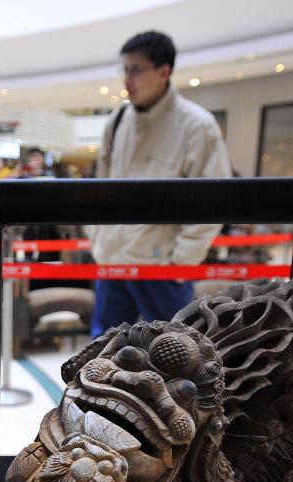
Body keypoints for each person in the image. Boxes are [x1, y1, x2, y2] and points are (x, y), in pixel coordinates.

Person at [87, 30, 232, 338]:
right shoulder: (118, 120)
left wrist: (181, 262)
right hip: (112, 262)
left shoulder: (197, 125)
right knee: (100, 356)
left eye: (136, 69)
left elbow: (212, 201)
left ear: (164, 71)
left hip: (162, 268)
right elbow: (101, 185)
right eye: (125, 70)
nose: (128, 79)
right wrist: (98, 240)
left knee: (173, 356)